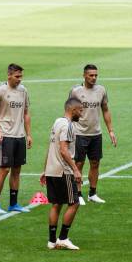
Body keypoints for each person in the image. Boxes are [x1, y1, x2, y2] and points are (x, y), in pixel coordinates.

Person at [68, 64, 117, 204]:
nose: (94, 78)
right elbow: (68, 111)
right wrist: (67, 130)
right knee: (78, 163)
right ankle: (77, 194)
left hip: (96, 133)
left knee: (95, 163)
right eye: (91, 75)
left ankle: (92, 193)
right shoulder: (76, 91)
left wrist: (111, 131)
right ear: (84, 75)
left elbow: (105, 110)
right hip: (79, 133)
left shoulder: (101, 90)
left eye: (96, 75)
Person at [40, 98, 84, 250]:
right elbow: (63, 150)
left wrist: (45, 169)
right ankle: (63, 238)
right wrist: (76, 170)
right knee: (74, 203)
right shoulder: (68, 126)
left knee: (56, 204)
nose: (82, 114)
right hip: (63, 171)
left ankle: (52, 241)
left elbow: (50, 145)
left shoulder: (57, 122)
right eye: (80, 110)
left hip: (52, 169)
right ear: (73, 110)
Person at [0, 63, 32, 214]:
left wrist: (28, 134)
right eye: (17, 76)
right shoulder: (0, 90)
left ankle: (13, 203)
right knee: (4, 169)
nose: (20, 79)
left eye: (21, 76)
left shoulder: (23, 90)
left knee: (16, 170)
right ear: (9, 75)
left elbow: (26, 113)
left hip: (19, 135)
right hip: (5, 135)